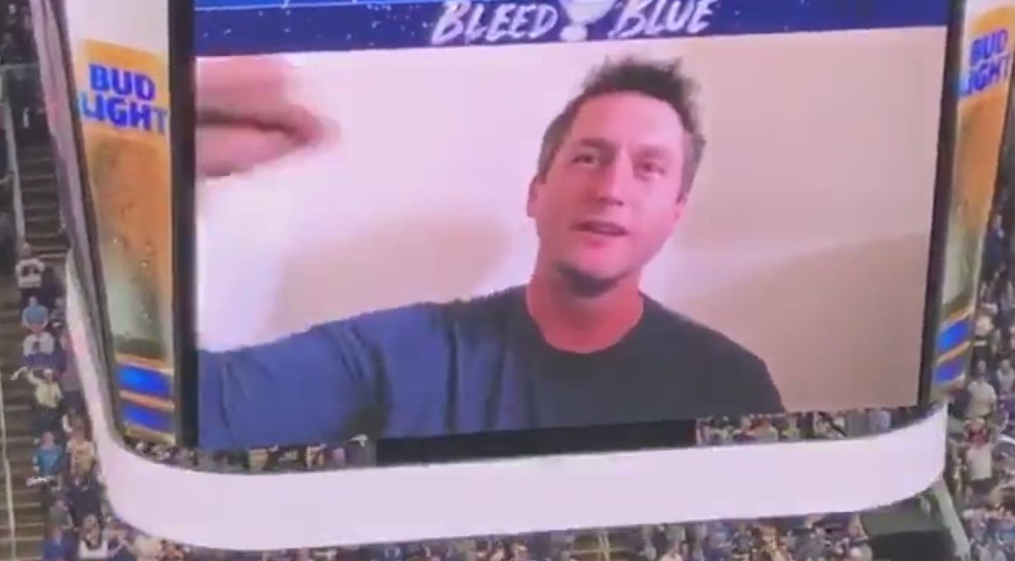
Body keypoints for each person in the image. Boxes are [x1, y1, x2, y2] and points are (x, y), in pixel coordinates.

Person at [196, 55, 783, 447]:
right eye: (588, 157)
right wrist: (146, 162)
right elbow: (197, 411)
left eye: (649, 169)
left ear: (676, 213)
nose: (611, 190)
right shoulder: (407, 357)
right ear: (536, 192)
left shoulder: (731, 386)